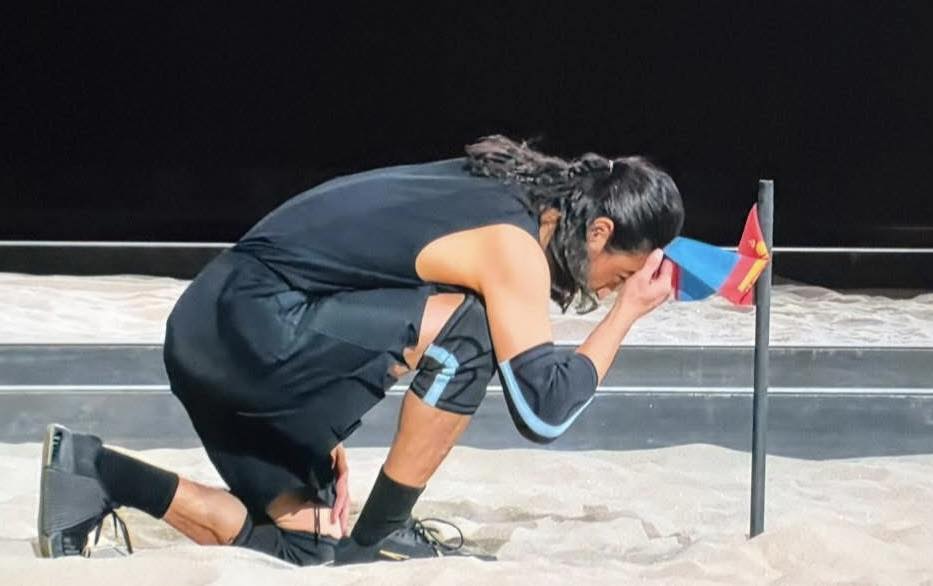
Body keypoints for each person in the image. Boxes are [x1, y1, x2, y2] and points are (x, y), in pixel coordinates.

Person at [38, 135, 684, 565]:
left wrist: (317, 409)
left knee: (305, 550)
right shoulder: (511, 243)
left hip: (212, 328)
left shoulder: (494, 190)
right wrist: (626, 315)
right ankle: (382, 535)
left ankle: (97, 471)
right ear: (599, 231)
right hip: (253, 335)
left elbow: (338, 263)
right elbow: (544, 411)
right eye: (623, 274)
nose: (609, 289)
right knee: (474, 331)